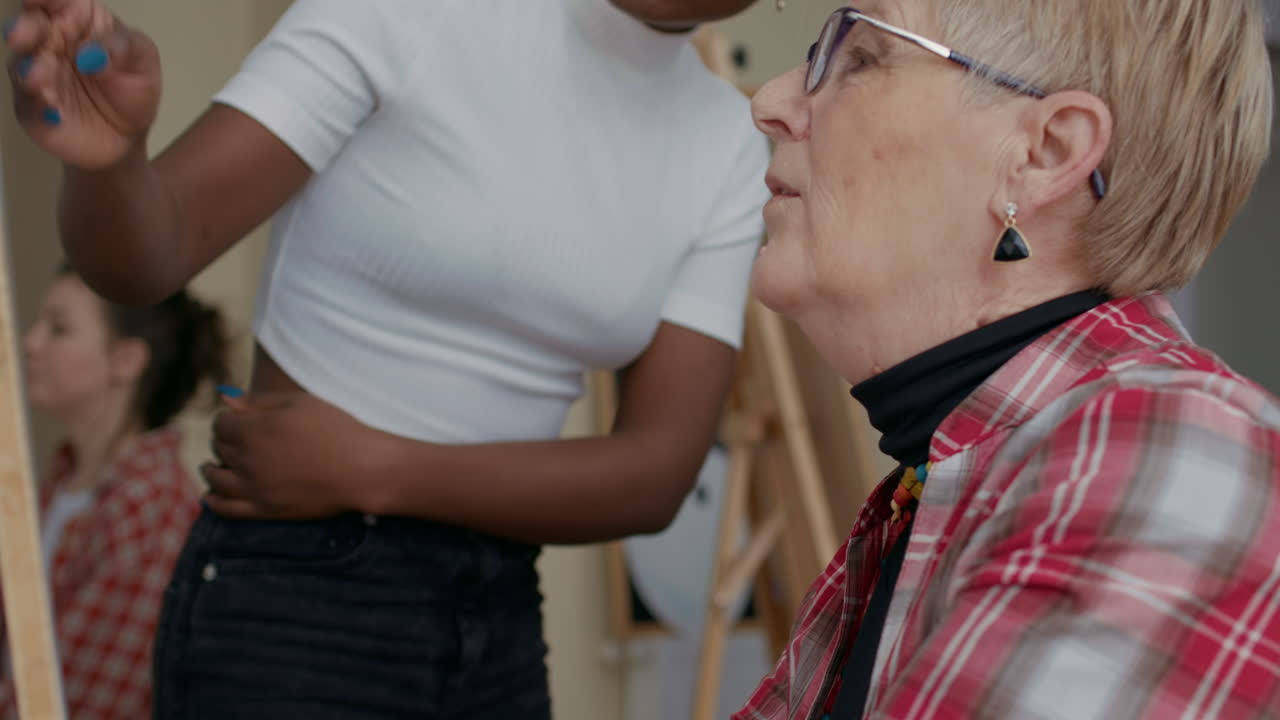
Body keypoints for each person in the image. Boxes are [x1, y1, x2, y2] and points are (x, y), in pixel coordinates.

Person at [6, 0, 769, 717]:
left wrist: (375, 468)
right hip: (300, 595)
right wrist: (110, 166)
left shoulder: (728, 145)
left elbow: (655, 476)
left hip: (498, 608)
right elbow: (150, 255)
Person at [737, 1, 1276, 718]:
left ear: (1044, 152)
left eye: (861, 57)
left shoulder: (1166, 441)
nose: (770, 102)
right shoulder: (933, 481)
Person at [0, 266, 229, 719]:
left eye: (59, 328)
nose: (31, 342)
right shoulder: (61, 485)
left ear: (127, 359)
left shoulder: (150, 509)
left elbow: (74, 698)